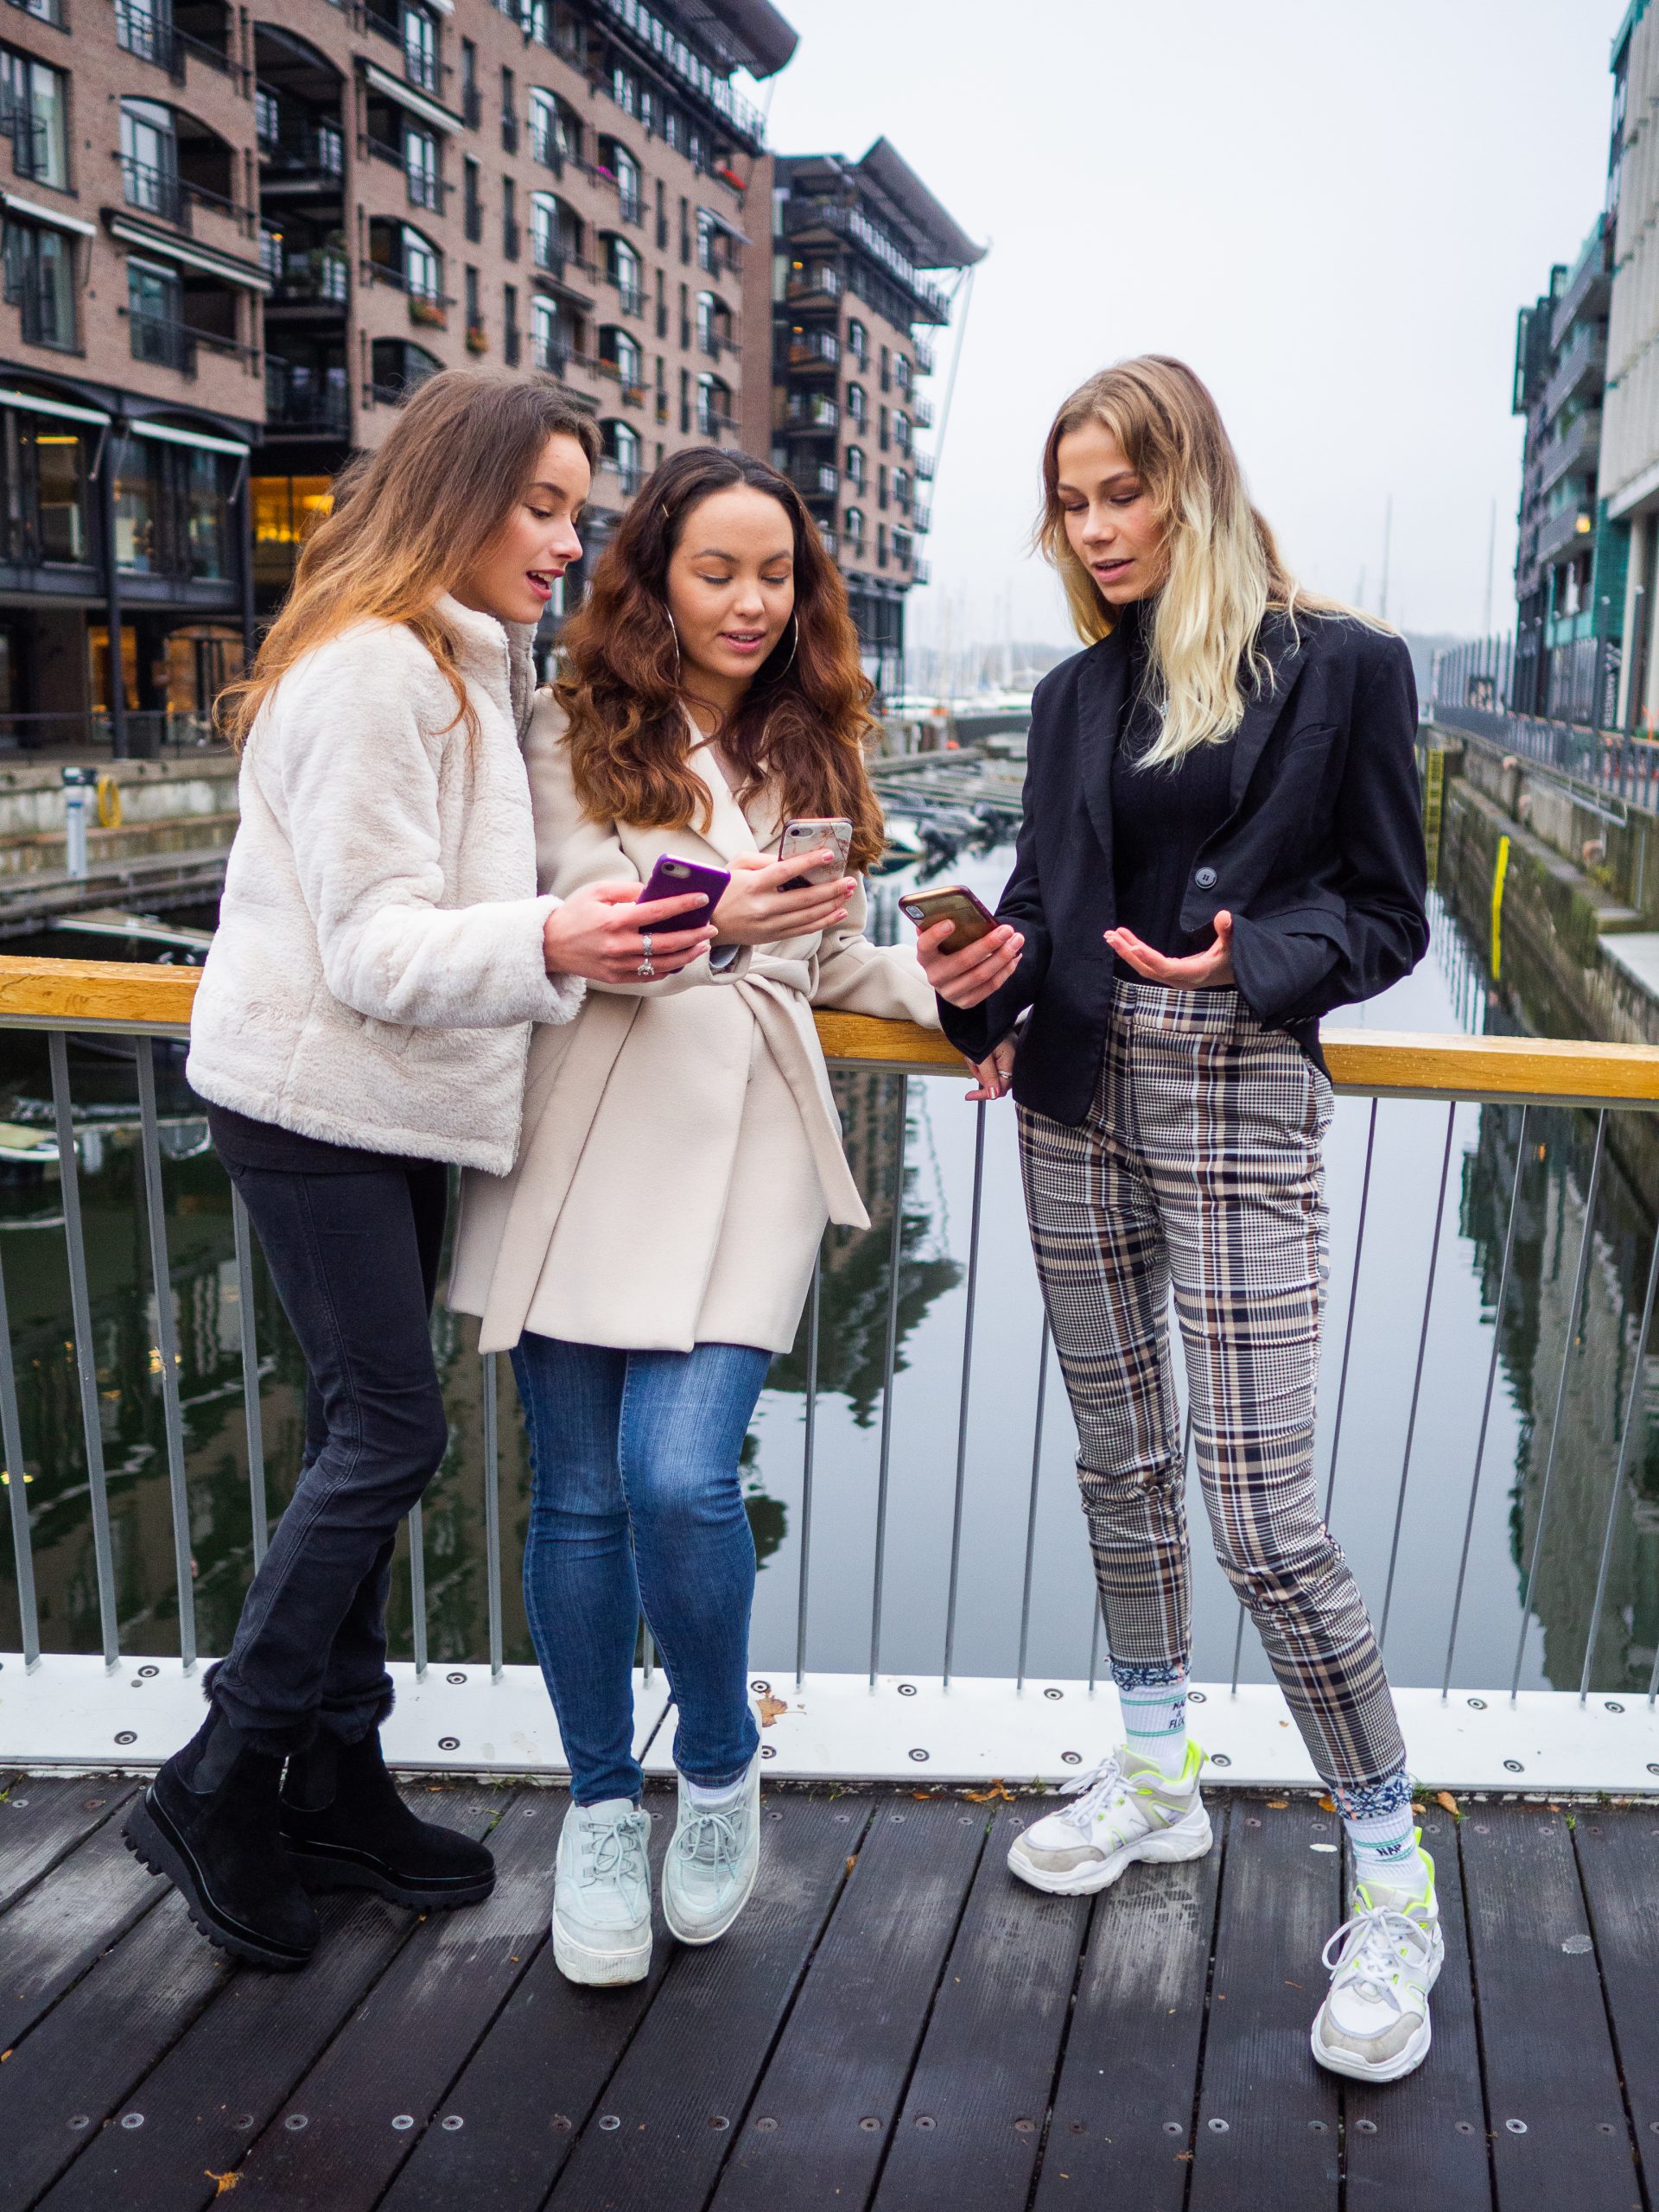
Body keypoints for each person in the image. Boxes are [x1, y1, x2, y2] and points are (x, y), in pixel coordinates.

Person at [125, 370, 717, 1972]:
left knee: (361, 1431)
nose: (569, 540)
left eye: (578, 511)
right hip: (315, 1102)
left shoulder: (465, 662)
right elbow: (375, 946)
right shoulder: (372, 672)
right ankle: (219, 1776)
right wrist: (554, 940)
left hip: (392, 1107)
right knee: (388, 1433)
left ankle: (335, 1781)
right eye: (542, 506)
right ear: (454, 497)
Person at [919, 357, 1437, 2085]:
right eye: (1071, 502)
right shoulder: (1074, 693)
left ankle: (1393, 1870)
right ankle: (1158, 1770)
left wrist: (1248, 959)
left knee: (1268, 1521)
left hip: (1237, 1091)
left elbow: (1386, 914)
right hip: (1071, 1093)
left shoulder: (1343, 666)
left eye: (1120, 492)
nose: (1094, 527)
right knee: (1120, 1462)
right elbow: (1040, 906)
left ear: (1193, 482)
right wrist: (975, 990)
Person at [450, 446, 939, 1987]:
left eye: (776, 574)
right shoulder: (568, 725)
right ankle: (603, 1806)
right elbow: (571, 913)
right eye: (717, 570)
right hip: (584, 1128)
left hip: (749, 1147)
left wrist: (944, 986)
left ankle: (719, 1764)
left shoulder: (813, 743)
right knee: (577, 1500)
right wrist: (720, 914)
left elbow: (821, 958)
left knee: (677, 1476)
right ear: (655, 574)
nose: (749, 602)